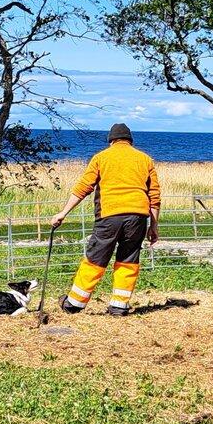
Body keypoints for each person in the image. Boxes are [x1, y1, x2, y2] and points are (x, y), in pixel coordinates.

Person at [49, 123, 160, 315]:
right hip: (138, 217)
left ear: (111, 141)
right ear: (130, 141)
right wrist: (154, 226)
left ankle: (74, 303)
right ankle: (119, 306)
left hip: (109, 215)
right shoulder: (145, 159)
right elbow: (155, 196)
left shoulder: (101, 158)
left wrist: (63, 212)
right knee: (128, 259)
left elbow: (84, 187)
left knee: (95, 258)